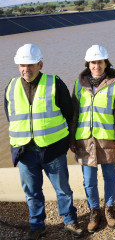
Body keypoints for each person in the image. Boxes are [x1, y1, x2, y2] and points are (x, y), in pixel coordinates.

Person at [4, 44, 82, 240]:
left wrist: (66, 142)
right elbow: (10, 116)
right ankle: (38, 225)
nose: (26, 69)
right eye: (22, 65)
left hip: (52, 148)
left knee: (63, 189)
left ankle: (69, 221)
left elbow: (69, 112)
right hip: (24, 151)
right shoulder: (11, 87)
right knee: (31, 192)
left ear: (40, 64)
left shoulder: (54, 83)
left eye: (30, 65)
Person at [70, 45, 115, 233]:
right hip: (85, 141)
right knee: (89, 180)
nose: (96, 66)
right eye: (93, 62)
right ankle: (94, 211)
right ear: (88, 63)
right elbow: (74, 114)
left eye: (100, 62)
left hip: (107, 140)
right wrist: (72, 139)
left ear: (105, 63)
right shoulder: (79, 84)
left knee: (110, 176)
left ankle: (109, 209)